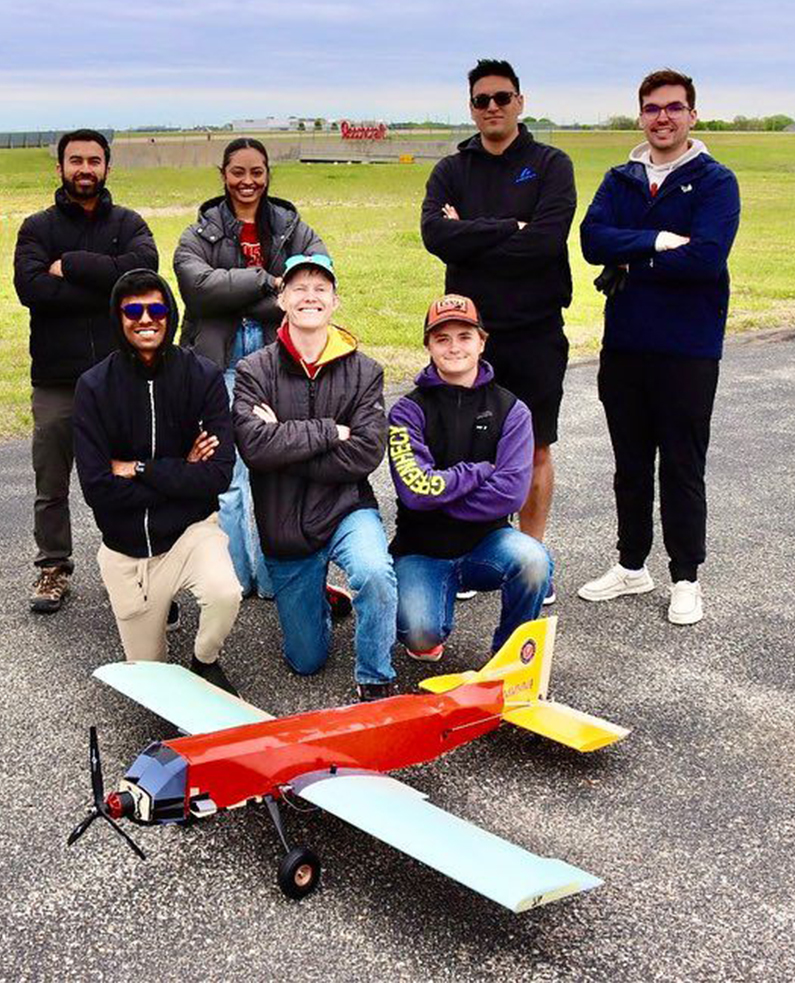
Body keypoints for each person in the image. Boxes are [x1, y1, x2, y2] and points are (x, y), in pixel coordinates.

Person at [578, 69, 740, 625]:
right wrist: (656, 240)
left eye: (673, 107)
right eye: (652, 108)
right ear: (640, 114)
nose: (662, 118)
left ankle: (686, 576)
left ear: (692, 114)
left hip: (687, 350)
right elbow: (592, 241)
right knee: (629, 464)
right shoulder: (621, 178)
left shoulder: (716, 181)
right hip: (625, 345)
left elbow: (705, 258)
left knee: (681, 465)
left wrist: (631, 259)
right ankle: (631, 565)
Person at [420, 59, 576, 602]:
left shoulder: (550, 164)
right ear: (470, 107)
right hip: (467, 337)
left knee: (532, 449)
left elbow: (548, 242)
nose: (492, 107)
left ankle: (532, 562)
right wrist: (510, 227)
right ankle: (475, 555)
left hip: (534, 332)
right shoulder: (451, 169)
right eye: (482, 100)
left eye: (502, 98)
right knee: (466, 448)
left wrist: (472, 234)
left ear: (520, 102)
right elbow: (436, 235)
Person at [233, 254, 398, 702]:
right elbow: (253, 448)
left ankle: (376, 678)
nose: (310, 295)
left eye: (320, 288)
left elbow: (364, 453)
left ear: (335, 302)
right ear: (282, 298)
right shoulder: (253, 371)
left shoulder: (365, 371)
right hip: (285, 525)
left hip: (346, 508)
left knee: (374, 572)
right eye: (299, 287)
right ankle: (323, 599)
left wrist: (282, 444)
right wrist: (330, 431)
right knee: (306, 661)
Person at [175, 138, 329, 604]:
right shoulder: (199, 232)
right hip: (218, 362)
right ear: (223, 173)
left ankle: (273, 575)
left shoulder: (291, 227)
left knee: (273, 468)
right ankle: (234, 578)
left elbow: (315, 280)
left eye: (256, 172)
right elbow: (197, 287)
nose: (247, 181)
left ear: (267, 174)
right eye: (237, 171)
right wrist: (267, 281)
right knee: (228, 476)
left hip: (274, 362)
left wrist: (243, 293)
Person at [73, 270, 241, 693]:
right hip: (126, 549)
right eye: (132, 310)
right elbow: (97, 488)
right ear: (118, 317)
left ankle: (205, 661)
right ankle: (158, 616)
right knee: (152, 684)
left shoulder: (202, 376)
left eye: (156, 308)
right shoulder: (93, 387)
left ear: (170, 313)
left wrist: (140, 468)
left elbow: (218, 474)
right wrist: (182, 469)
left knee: (225, 592)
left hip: (190, 533)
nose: (145, 319)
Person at [14, 129, 158, 615]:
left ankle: (138, 566)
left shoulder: (129, 222)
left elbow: (143, 274)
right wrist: (108, 286)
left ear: (107, 168)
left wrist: (71, 265)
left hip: (120, 378)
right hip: (57, 379)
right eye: (75, 160)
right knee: (51, 480)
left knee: (130, 476)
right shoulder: (37, 227)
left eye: (93, 160)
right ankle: (53, 567)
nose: (84, 169)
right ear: (59, 167)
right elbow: (31, 289)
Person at [387, 295, 551, 662]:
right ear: (428, 345)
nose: (454, 347)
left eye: (464, 336)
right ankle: (429, 618)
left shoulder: (512, 410)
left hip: (486, 546)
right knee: (420, 636)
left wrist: (441, 496)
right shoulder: (405, 411)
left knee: (533, 559)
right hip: (421, 549)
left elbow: (509, 495)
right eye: (442, 338)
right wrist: (477, 472)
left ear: (482, 341)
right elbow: (415, 492)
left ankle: (509, 654)